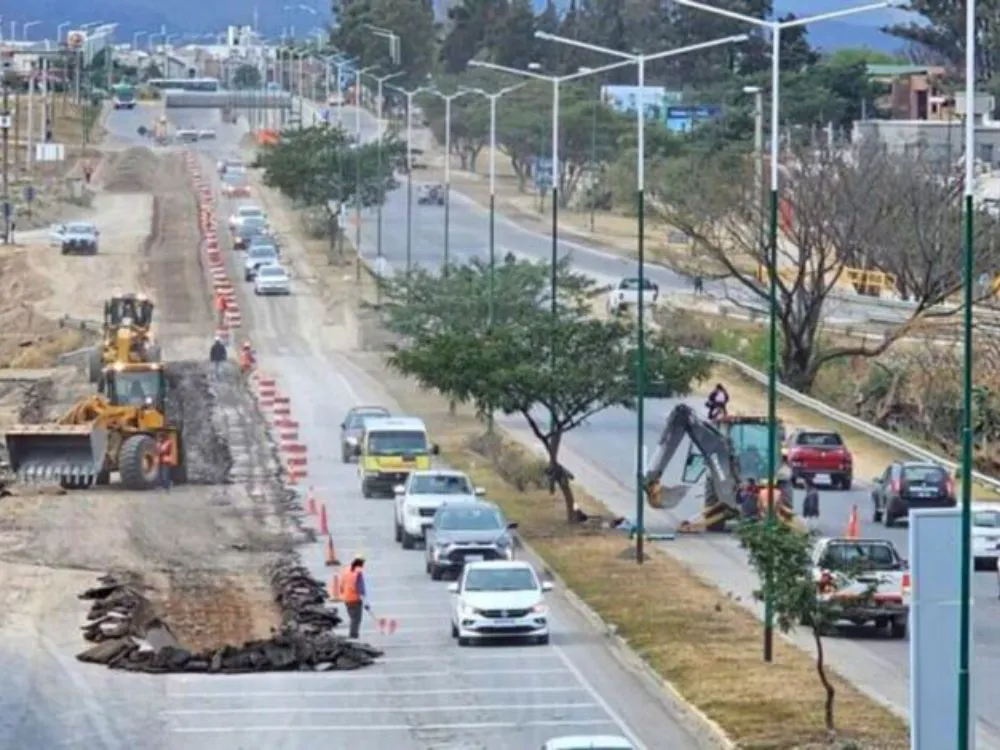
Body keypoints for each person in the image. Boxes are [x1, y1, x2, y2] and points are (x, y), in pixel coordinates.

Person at [340, 554, 367, 639]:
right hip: (355, 599)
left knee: (352, 617)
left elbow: (341, 584)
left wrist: (342, 593)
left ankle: (353, 634)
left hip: (347, 599)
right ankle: (353, 635)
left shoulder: (347, 570)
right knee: (356, 619)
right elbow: (360, 587)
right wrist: (364, 598)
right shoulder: (358, 573)